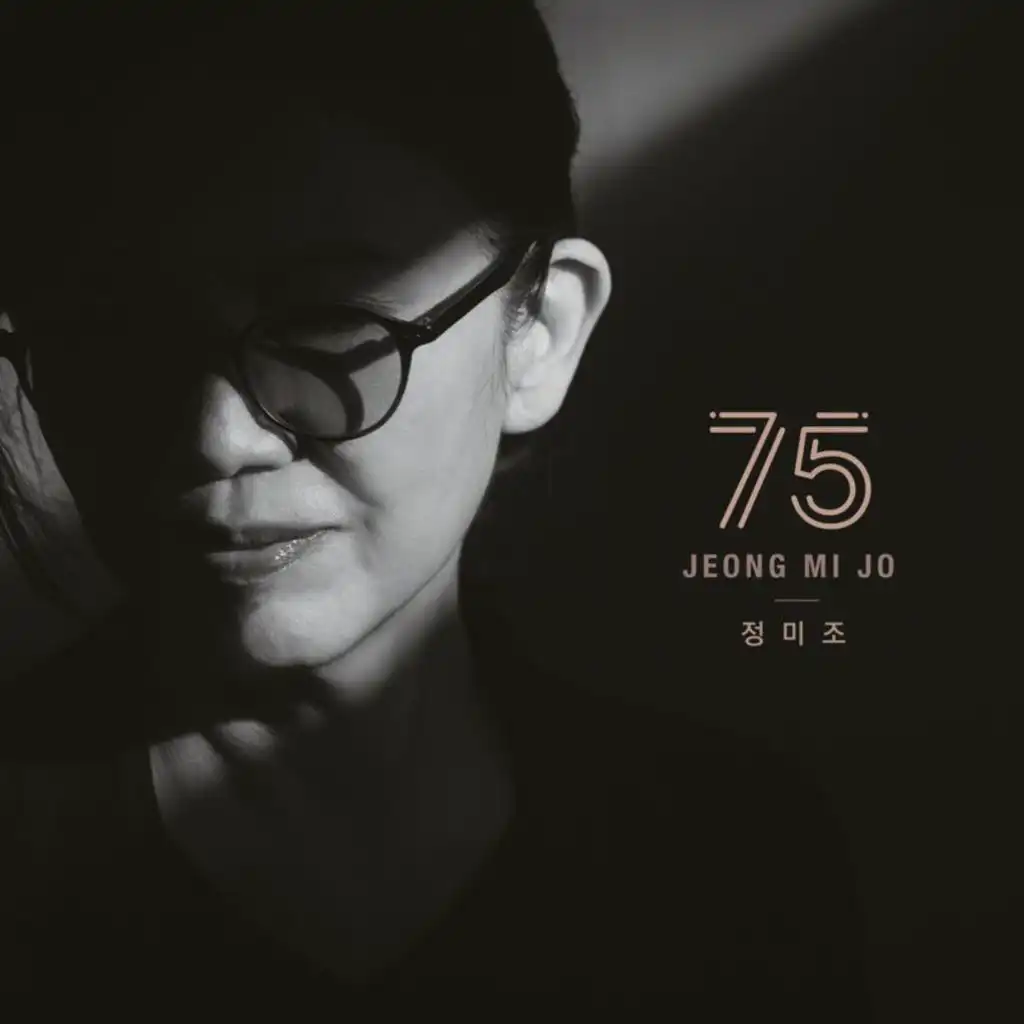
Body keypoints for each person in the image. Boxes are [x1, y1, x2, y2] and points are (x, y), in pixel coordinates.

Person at [0, 0, 871, 1015]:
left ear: (539, 331)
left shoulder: (735, 876)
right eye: (114, 336)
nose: (218, 438)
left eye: (328, 325)